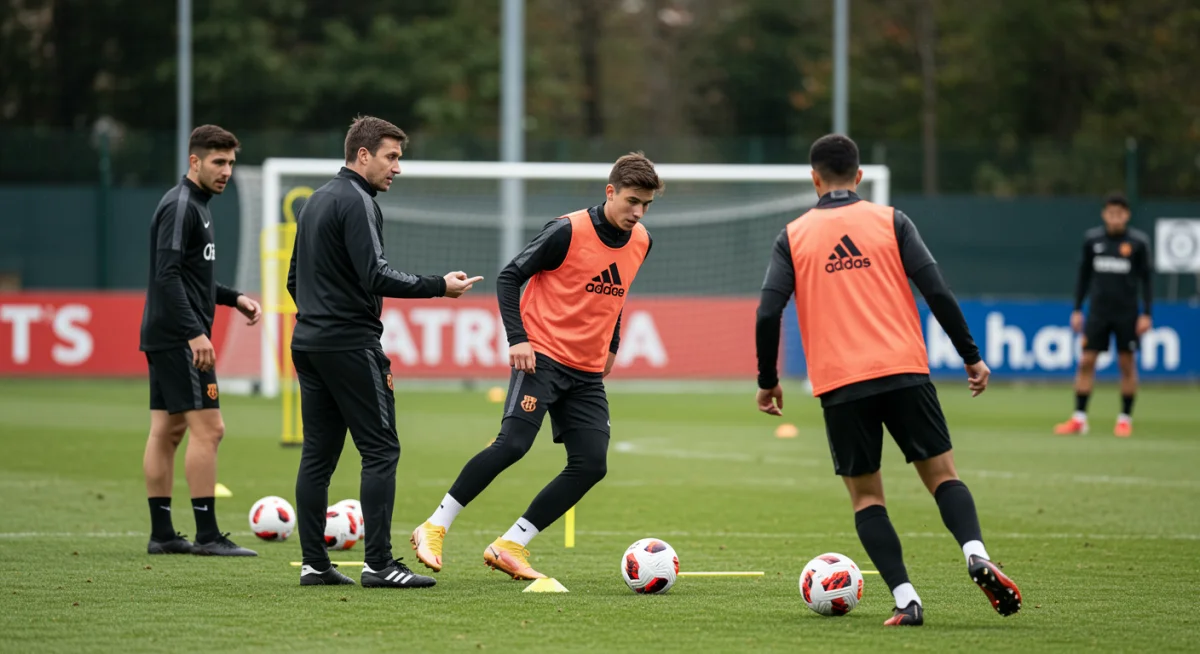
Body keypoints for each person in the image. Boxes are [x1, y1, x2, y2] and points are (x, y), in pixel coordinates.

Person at [754, 134, 1022, 626]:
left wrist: (768, 379)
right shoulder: (891, 220)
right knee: (943, 477)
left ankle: (906, 598)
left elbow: (768, 311)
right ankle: (975, 552)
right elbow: (936, 291)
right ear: (859, 176)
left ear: (814, 179)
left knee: (868, 497)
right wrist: (971, 357)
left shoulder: (793, 236)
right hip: (905, 371)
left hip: (840, 383)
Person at [410, 153, 661, 580]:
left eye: (646, 205)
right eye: (632, 201)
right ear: (610, 192)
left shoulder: (641, 241)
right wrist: (517, 338)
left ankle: (511, 544)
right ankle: (434, 526)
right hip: (541, 355)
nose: (637, 213)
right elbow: (509, 276)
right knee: (512, 446)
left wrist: (613, 345)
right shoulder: (567, 230)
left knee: (591, 464)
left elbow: (619, 294)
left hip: (585, 371)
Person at [287, 115, 483, 588]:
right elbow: (376, 274)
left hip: (308, 342)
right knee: (380, 450)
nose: (398, 167)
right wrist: (440, 286)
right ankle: (379, 564)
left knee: (317, 454)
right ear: (362, 155)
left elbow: (294, 279)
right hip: (350, 345)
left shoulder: (316, 201)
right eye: (391, 157)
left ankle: (315, 565)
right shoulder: (357, 201)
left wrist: (321, 315)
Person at [139, 124, 263, 557]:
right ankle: (207, 535)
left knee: (168, 430)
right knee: (210, 430)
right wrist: (194, 333)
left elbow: (192, 278)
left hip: (166, 332)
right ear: (194, 161)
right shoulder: (182, 206)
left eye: (231, 162)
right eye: (218, 162)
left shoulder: (199, 205)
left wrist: (234, 298)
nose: (226, 170)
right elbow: (167, 273)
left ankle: (162, 534)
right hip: (178, 336)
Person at [1054, 194, 1152, 438]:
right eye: (1111, 212)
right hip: (1098, 312)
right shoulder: (1093, 240)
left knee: (1126, 363)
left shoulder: (1138, 243)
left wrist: (1147, 313)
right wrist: (1077, 309)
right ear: (1104, 214)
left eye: (1120, 213)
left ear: (1127, 215)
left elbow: (1147, 281)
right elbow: (1083, 277)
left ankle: (1124, 419)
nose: (1115, 217)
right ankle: (1079, 419)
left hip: (1127, 313)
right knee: (1086, 361)